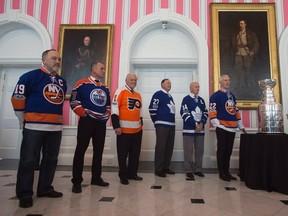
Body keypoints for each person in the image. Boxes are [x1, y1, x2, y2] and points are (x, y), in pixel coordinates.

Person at [11, 49, 67, 208]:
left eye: (59, 58)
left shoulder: (62, 81)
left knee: (50, 160)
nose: (57, 61)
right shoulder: (29, 76)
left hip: (55, 129)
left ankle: (45, 188)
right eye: (54, 58)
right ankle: (24, 194)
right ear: (44, 60)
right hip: (34, 126)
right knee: (28, 161)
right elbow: (17, 98)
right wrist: (23, 119)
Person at [70, 61, 111, 193]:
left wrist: (107, 114)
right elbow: (74, 101)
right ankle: (76, 181)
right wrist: (83, 114)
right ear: (93, 68)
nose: (104, 70)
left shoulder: (105, 87)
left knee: (98, 151)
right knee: (80, 150)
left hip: (101, 123)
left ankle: (96, 178)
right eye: (102, 68)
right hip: (86, 121)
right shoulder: (81, 83)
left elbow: (108, 105)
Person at [209, 75, 246, 182]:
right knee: (222, 150)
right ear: (220, 82)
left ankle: (227, 171)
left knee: (228, 151)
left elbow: (236, 110)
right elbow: (212, 110)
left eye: (229, 80)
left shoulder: (232, 96)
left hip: (233, 127)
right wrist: (217, 123)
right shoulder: (215, 96)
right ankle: (222, 173)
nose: (227, 82)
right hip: (222, 127)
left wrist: (240, 124)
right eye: (225, 80)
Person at [111, 73, 143, 185]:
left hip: (137, 130)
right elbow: (114, 108)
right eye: (131, 79)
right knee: (122, 154)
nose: (133, 81)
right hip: (123, 130)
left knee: (135, 154)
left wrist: (141, 125)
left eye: (135, 80)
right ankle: (123, 175)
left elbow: (140, 112)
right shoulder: (120, 91)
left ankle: (132, 173)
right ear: (126, 80)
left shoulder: (138, 94)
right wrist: (116, 126)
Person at [180, 82, 208, 180]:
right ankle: (188, 170)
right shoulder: (186, 99)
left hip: (200, 130)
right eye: (196, 87)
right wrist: (195, 124)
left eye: (198, 87)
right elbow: (184, 113)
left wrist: (202, 124)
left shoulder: (201, 100)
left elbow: (205, 113)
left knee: (199, 151)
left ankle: (198, 169)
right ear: (191, 88)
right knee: (188, 151)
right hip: (189, 130)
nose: (198, 88)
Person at [149, 79, 175, 177]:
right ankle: (158, 169)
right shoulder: (158, 94)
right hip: (162, 125)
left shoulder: (170, 96)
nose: (170, 84)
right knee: (161, 147)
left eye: (170, 83)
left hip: (171, 125)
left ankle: (165, 167)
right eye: (168, 83)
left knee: (169, 147)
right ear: (162, 84)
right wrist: (156, 121)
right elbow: (152, 108)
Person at [231, 19, 259, 92]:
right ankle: (240, 87)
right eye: (240, 24)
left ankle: (248, 87)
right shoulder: (237, 33)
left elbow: (256, 43)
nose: (240, 25)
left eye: (242, 23)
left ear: (245, 24)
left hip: (246, 53)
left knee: (248, 70)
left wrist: (253, 51)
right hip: (238, 53)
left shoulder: (250, 33)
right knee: (238, 70)